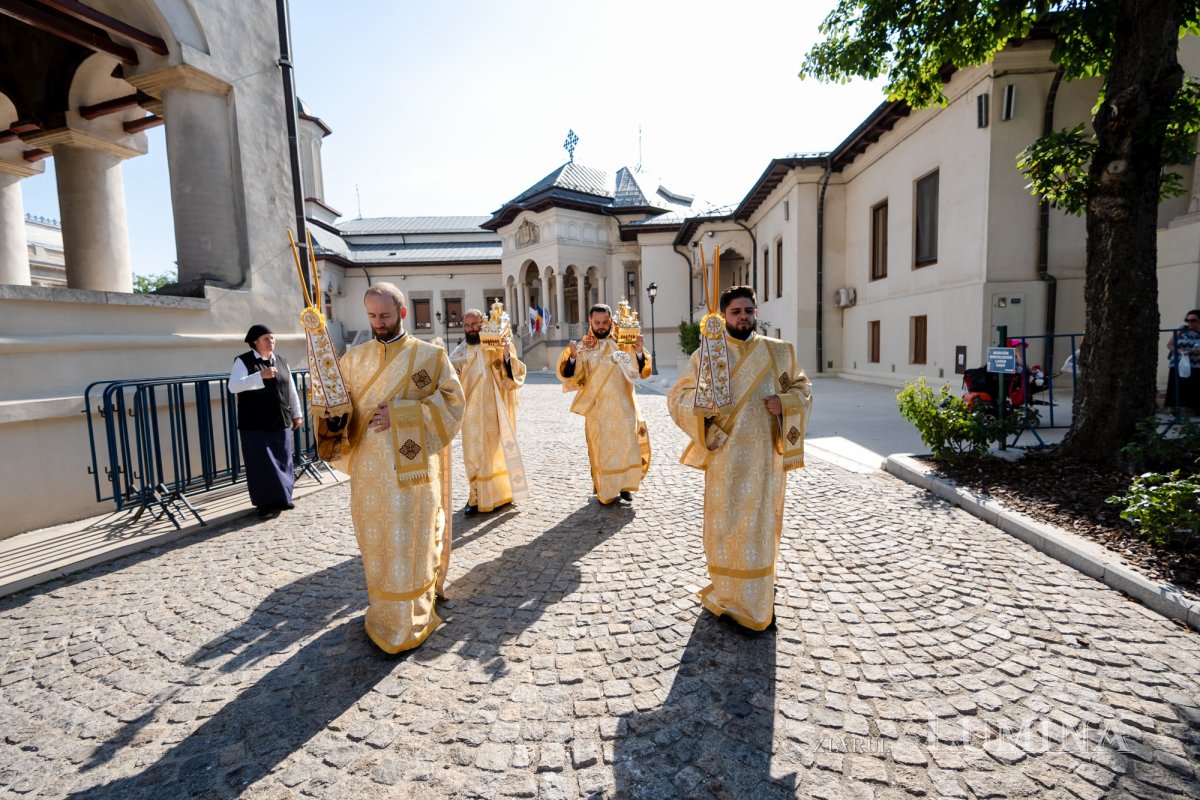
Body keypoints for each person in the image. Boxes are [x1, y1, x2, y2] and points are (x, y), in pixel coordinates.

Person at [319, 283, 464, 653]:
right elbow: (339, 412)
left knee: (411, 537)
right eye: (371, 316)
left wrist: (404, 413)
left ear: (401, 313)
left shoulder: (430, 358)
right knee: (377, 540)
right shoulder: (353, 360)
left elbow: (453, 401)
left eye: (384, 316)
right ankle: (383, 611)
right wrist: (329, 411)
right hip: (369, 471)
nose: (378, 323)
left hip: (412, 471)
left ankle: (414, 614)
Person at [668, 286, 813, 631]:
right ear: (723, 316)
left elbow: (802, 389)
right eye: (736, 312)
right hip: (726, 460)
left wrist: (786, 404)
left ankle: (758, 603)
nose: (743, 317)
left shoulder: (780, 352)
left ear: (756, 313)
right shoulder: (707, 356)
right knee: (725, 529)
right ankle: (729, 596)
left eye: (748, 310)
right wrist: (704, 412)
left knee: (760, 529)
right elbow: (678, 397)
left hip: (765, 462)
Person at [557, 303, 652, 505]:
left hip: (625, 406)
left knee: (627, 447)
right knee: (603, 451)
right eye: (597, 322)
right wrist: (573, 358)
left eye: (605, 322)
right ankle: (606, 491)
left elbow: (640, 370)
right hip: (597, 410)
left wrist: (639, 352)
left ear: (611, 320)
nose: (601, 326)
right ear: (590, 322)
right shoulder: (583, 347)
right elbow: (573, 377)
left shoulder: (624, 341)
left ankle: (625, 486)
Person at [449, 304, 528, 516]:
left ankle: (502, 494)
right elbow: (447, 378)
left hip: (495, 410)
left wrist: (505, 353)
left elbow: (512, 376)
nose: (471, 329)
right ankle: (474, 497)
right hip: (470, 415)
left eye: (475, 324)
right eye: (467, 325)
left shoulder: (495, 346)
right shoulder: (458, 353)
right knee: (473, 456)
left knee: (496, 453)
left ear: (483, 325)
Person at [228, 324, 303, 519]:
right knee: (260, 464)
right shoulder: (243, 361)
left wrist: (297, 413)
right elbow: (233, 386)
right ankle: (264, 504)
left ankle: (283, 498)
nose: (271, 342)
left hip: (281, 418)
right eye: (266, 339)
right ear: (255, 342)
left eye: (272, 338)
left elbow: (291, 389)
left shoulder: (281, 361)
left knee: (283, 460)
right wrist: (259, 376)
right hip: (254, 423)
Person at [1166, 309, 1200, 412]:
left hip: (1195, 363)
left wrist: (1195, 351)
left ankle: (1194, 408)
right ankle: (1173, 409)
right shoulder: (1181, 329)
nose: (1189, 323)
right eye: (1187, 320)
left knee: (1194, 385)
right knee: (1175, 385)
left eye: (1193, 320)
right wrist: (1178, 350)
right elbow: (1169, 344)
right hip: (1178, 361)